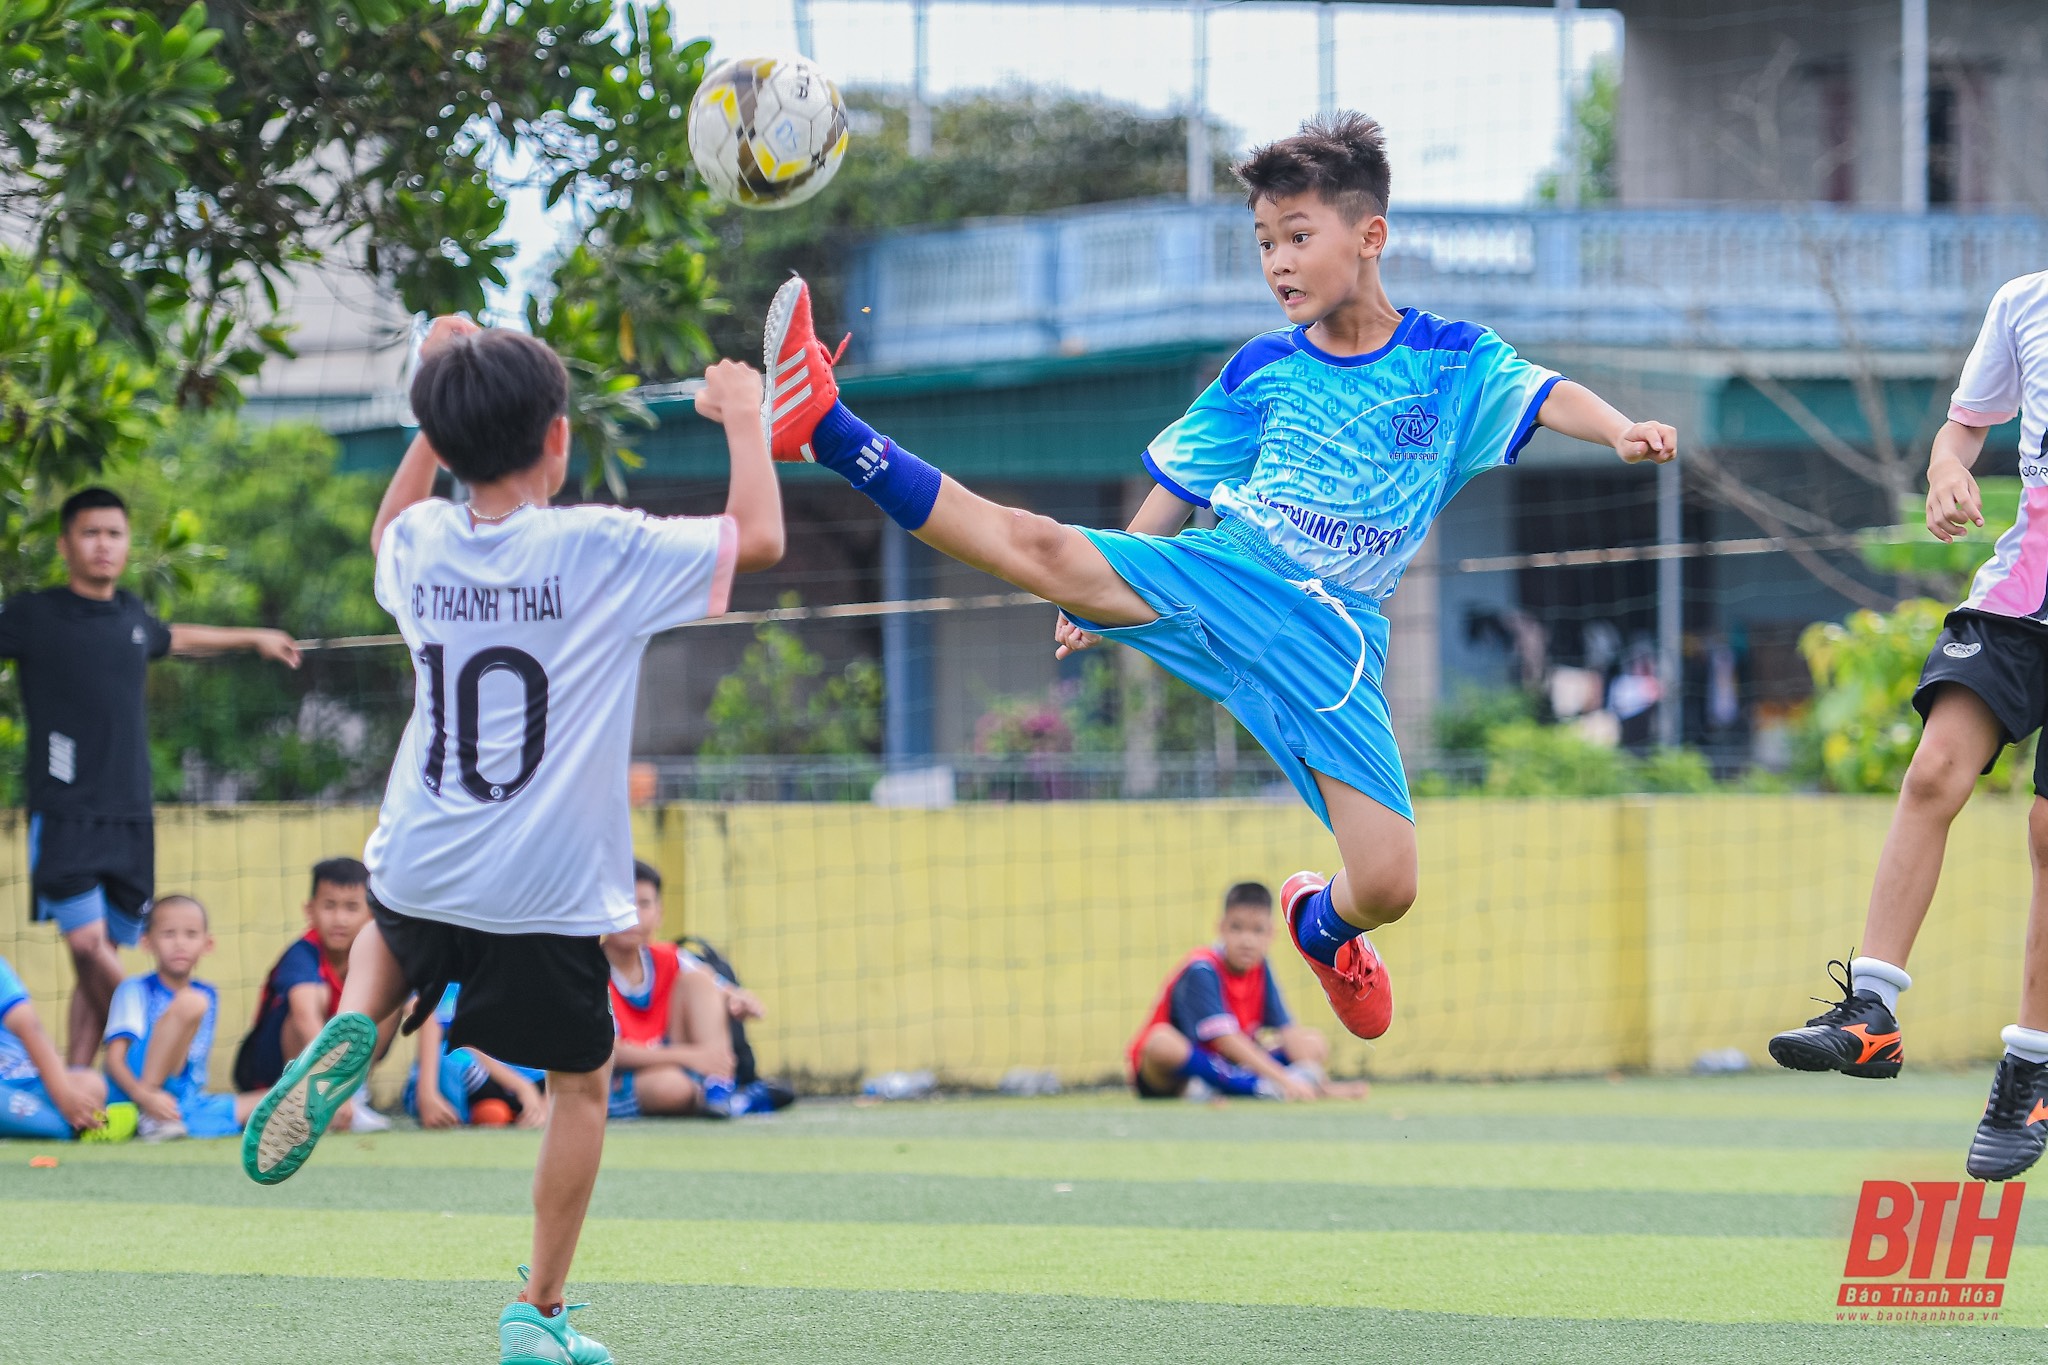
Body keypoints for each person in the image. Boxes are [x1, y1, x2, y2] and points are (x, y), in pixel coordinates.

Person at [761, 113, 1675, 1041]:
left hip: (1337, 642)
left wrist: (1620, 429)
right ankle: (827, 425)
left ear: (1370, 236)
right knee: (1039, 549)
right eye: (1264, 242)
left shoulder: (1450, 359)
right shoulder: (1262, 368)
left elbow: (1545, 389)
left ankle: (1320, 926)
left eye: (1297, 237)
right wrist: (1097, 589)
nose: (1277, 262)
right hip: (1230, 575)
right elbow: (1180, 480)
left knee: (1390, 884)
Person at [240, 316, 783, 1365]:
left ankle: (359, 1016)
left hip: (425, 851)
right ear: (559, 441)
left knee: (394, 914)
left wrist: (434, 397)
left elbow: (387, 525)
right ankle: (536, 1309)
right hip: (547, 884)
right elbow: (754, 537)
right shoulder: (598, 546)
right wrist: (744, 415)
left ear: (440, 441)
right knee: (583, 1086)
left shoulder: (421, 545)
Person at [1768, 269, 2048, 1182]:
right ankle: (1870, 1014)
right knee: (1933, 773)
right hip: (2023, 592)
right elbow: (1963, 425)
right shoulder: (2022, 301)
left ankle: (2030, 1069)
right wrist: (1946, 469)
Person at [0, 486, 300, 1068]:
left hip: (132, 816)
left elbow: (177, 637)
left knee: (96, 956)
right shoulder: (33, 616)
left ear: (127, 543)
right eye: (90, 533)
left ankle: (83, 1086)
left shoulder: (133, 615)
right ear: (66, 544)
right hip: (64, 814)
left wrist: (253, 637)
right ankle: (161, 1037)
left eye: (114, 534)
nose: (103, 545)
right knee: (87, 945)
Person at [604, 861, 790, 1120]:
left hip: (677, 1061)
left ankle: (719, 1089)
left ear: (659, 913)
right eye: (623, 904)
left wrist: (739, 1000)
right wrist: (691, 1056)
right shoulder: (591, 970)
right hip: (622, 1077)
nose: (633, 914)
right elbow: (610, 1052)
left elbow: (722, 988)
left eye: (643, 904)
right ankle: (735, 1101)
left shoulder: (668, 957)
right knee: (670, 1088)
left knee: (699, 981)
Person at [1128, 882, 1336, 1101]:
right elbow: (1225, 1041)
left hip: (1229, 1065)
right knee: (1161, 1042)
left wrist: (1322, 1085)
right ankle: (1258, 1088)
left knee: (1313, 1043)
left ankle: (1223, 1087)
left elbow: (1287, 1030)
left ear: (1271, 934)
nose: (1247, 940)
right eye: (1236, 928)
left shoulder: (1261, 968)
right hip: (1182, 1070)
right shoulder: (1202, 968)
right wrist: (1285, 1081)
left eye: (1257, 930)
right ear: (1221, 928)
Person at [232, 857, 393, 1131]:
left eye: (351, 907)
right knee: (308, 1002)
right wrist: (332, 1084)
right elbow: (305, 1016)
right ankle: (306, 1099)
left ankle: (354, 1095)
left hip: (333, 1071)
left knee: (390, 994)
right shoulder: (302, 954)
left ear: (370, 915)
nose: (339, 919)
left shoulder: (373, 955)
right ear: (310, 910)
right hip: (269, 1069)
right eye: (329, 906)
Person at [103, 895, 262, 1142]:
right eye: (168, 934)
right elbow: (113, 1060)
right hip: (134, 1097)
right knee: (191, 1002)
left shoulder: (209, 992)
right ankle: (151, 1117)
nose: (179, 943)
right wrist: (144, 1096)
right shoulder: (135, 989)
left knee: (278, 1102)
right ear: (146, 942)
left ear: (208, 944)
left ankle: (168, 1119)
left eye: (190, 934)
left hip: (184, 1101)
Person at [0, 951, 122, 1140]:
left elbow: (31, 1028)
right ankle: (66, 1127)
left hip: (26, 1084)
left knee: (91, 1083)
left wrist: (65, 1095)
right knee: (58, 1124)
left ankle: (64, 1120)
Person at [406, 984, 547, 1130]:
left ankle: (507, 1113)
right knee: (448, 1059)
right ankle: (471, 1113)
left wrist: (548, 1102)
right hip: (481, 1072)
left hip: (539, 1079)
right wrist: (522, 1087)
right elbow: (457, 1034)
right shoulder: (446, 975)